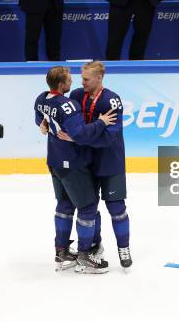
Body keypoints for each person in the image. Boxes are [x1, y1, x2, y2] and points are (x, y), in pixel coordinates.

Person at [35, 66, 117, 273]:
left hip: (53, 160)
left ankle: (61, 251)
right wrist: (100, 122)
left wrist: (43, 124)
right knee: (88, 207)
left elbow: (40, 119)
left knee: (64, 205)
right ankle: (84, 255)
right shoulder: (69, 105)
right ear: (61, 84)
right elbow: (81, 135)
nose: (73, 83)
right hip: (72, 163)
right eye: (69, 79)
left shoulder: (41, 98)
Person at [68, 61, 132, 268]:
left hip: (110, 162)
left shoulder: (112, 101)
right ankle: (92, 247)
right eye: (82, 79)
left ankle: (124, 248)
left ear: (99, 78)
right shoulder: (77, 95)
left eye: (86, 79)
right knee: (88, 207)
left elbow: (109, 137)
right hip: (85, 161)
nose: (82, 82)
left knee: (116, 208)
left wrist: (80, 138)